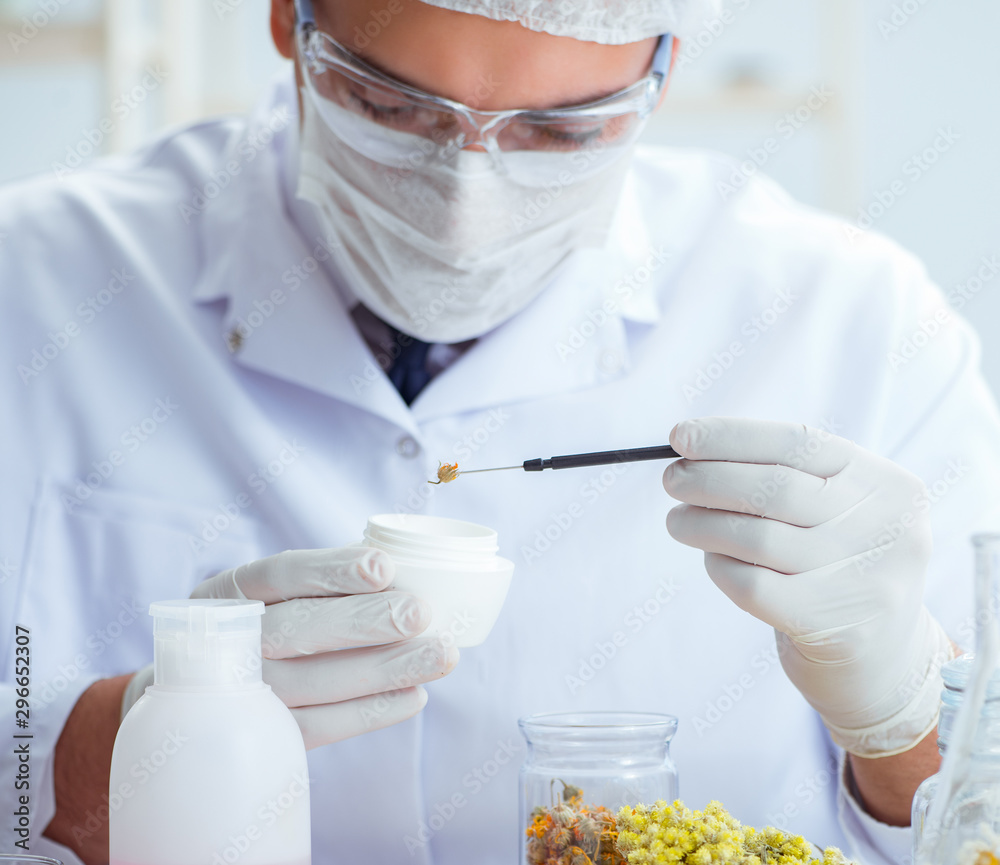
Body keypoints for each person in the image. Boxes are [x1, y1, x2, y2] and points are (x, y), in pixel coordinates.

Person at [1, 0, 998, 862]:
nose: (463, 202)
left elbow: (971, 818)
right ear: (286, 21)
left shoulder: (856, 326)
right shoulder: (35, 288)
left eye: (562, 133)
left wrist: (901, 715)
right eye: (387, 107)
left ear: (663, 65)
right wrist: (89, 761)